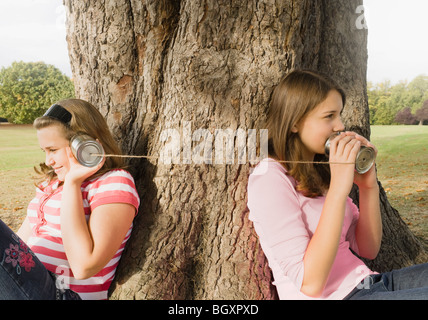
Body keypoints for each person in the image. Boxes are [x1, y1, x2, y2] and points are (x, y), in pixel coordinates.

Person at [247, 69, 428, 300]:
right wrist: (338, 189)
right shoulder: (269, 178)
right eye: (329, 116)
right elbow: (310, 284)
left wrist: (368, 185)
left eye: (339, 114)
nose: (340, 125)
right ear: (294, 122)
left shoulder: (318, 171)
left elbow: (368, 248)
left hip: (371, 283)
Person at [0, 99, 140, 300]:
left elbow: (84, 266)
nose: (48, 161)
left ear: (84, 146)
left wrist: (73, 184)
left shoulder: (113, 182)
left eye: (53, 150)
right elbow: (17, 249)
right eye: (45, 151)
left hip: (64, 294)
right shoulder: (50, 185)